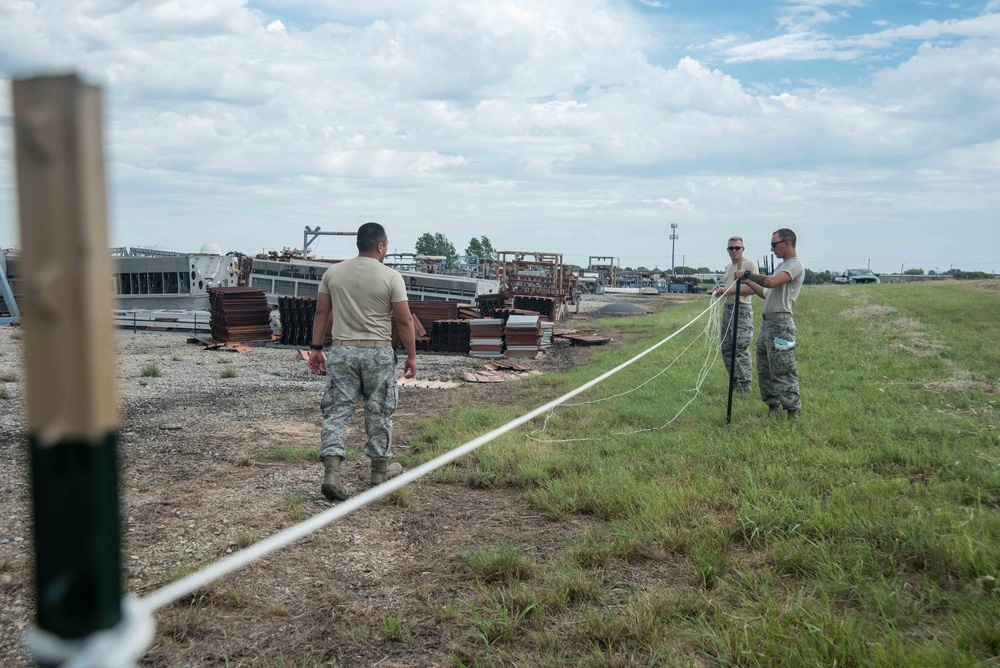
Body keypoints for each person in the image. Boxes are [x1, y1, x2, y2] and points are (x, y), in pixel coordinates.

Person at [308, 222, 417, 501]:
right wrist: (411, 356)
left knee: (336, 412)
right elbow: (404, 320)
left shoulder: (333, 273)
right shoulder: (392, 277)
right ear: (381, 246)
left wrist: (316, 348)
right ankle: (379, 471)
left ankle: (332, 473)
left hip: (342, 351)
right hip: (377, 353)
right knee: (379, 412)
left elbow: (321, 313)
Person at [740, 228, 805, 421]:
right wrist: (748, 282)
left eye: (774, 244)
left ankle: (792, 412)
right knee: (765, 368)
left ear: (787, 243)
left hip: (782, 327)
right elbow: (765, 293)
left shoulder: (795, 266)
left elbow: (769, 282)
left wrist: (747, 273)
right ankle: (773, 408)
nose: (772, 249)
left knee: (783, 368)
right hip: (768, 325)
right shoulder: (782, 265)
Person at [712, 236, 758, 393]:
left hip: (742, 309)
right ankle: (735, 382)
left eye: (737, 248)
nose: (734, 251)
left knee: (740, 347)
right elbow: (728, 287)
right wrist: (722, 291)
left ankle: (745, 386)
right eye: (730, 248)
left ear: (743, 249)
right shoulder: (729, 266)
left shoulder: (749, 265)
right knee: (726, 347)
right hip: (728, 309)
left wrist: (730, 290)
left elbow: (755, 289)